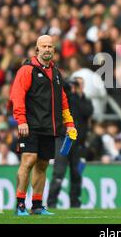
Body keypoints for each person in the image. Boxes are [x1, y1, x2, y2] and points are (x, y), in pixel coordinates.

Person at [9, 35, 78, 216]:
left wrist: (69, 123)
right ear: (37, 49)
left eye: (50, 46)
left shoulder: (56, 73)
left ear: (54, 50)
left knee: (42, 165)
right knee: (28, 160)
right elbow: (17, 96)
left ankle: (37, 205)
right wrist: (21, 120)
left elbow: (63, 100)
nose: (47, 49)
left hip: (50, 126)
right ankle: (20, 204)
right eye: (44, 46)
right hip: (30, 125)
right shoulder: (26, 70)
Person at [48, 77, 94, 208]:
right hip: (64, 140)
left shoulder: (85, 100)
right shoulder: (66, 98)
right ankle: (51, 203)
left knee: (76, 173)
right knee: (59, 173)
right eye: (75, 83)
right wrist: (71, 92)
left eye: (79, 83)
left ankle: (75, 204)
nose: (77, 85)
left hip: (78, 142)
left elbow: (88, 112)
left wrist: (78, 94)